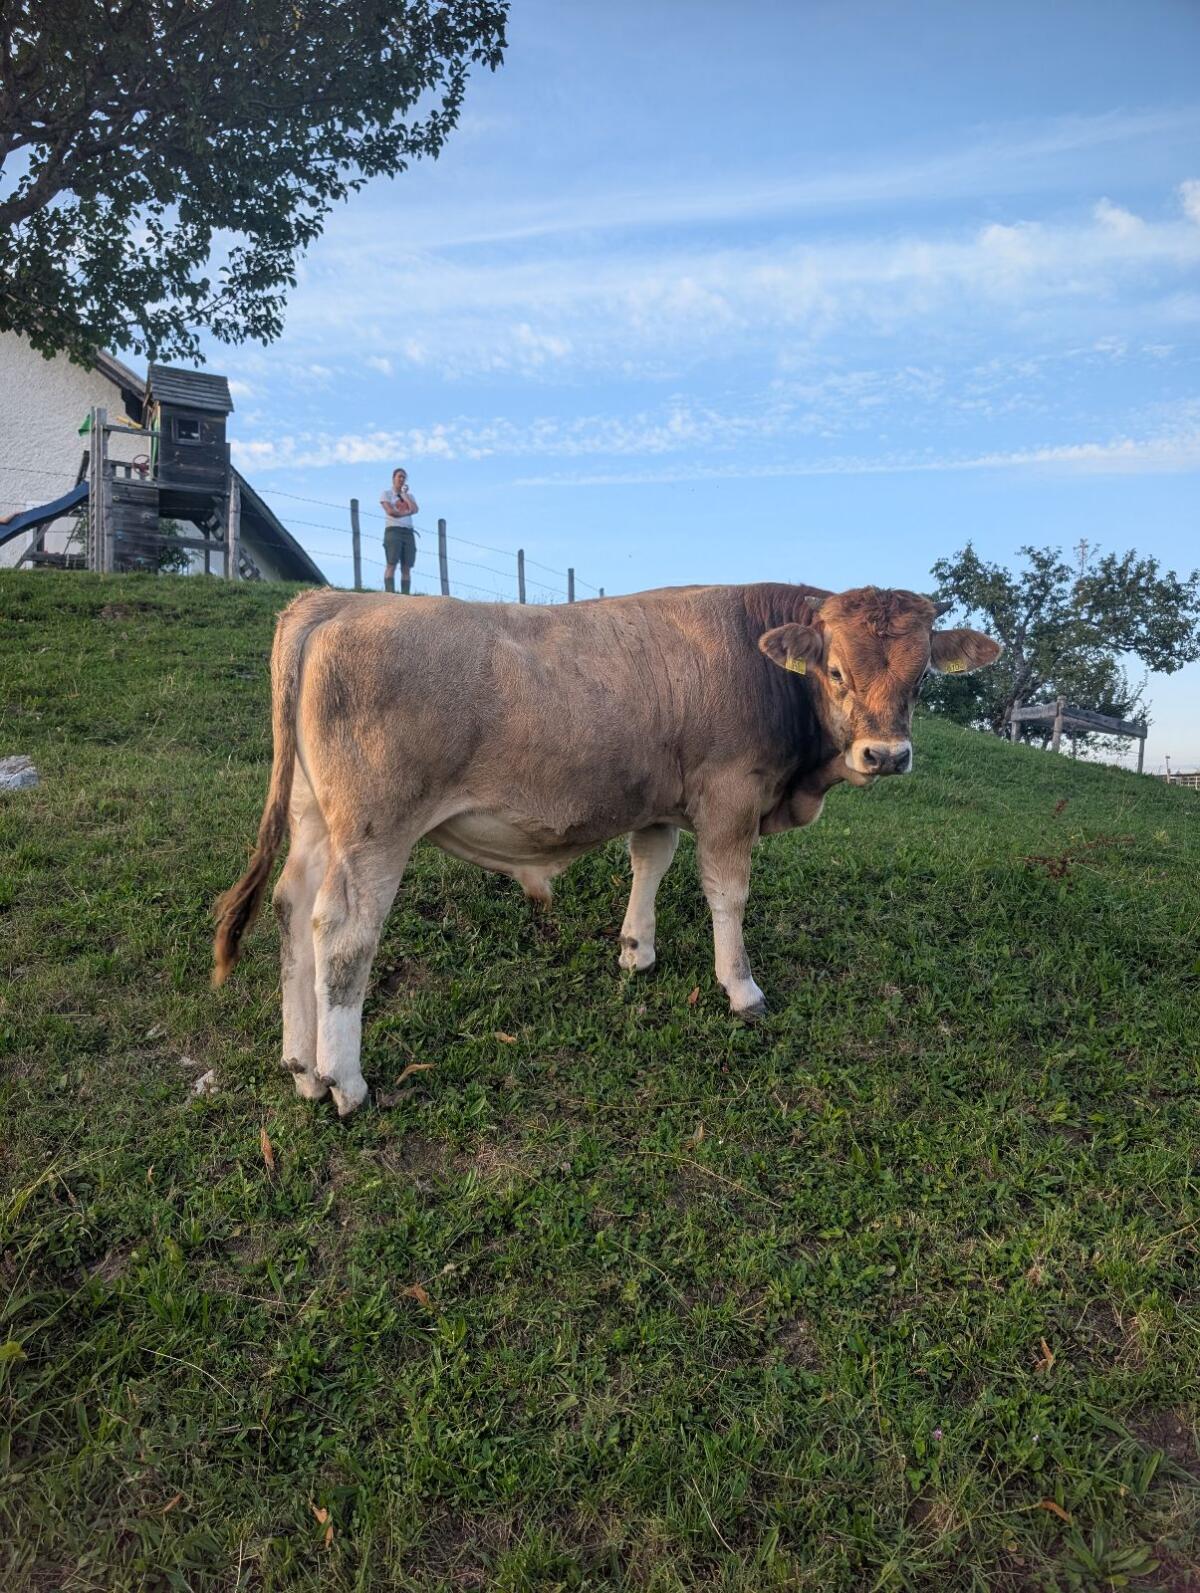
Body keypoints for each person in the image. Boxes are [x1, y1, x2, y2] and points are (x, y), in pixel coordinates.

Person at [380, 468, 419, 593]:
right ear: (393, 478)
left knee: (406, 566)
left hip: (408, 532)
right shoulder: (386, 494)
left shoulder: (409, 496)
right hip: (393, 530)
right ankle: (390, 593)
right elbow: (391, 512)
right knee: (391, 563)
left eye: (404, 477)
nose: (402, 479)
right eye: (399, 477)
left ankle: (405, 595)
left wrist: (404, 496)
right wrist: (406, 512)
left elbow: (415, 509)